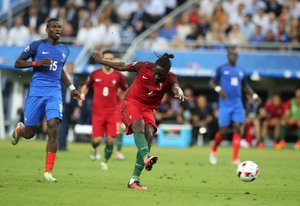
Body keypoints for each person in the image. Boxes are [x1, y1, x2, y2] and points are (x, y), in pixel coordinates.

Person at [92, 51, 188, 190]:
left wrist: (179, 92)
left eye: (160, 75)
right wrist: (101, 61)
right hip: (132, 102)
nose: (156, 76)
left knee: (149, 134)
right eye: (155, 72)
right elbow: (122, 66)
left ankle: (134, 180)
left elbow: (175, 86)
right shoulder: (144, 66)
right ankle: (146, 156)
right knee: (139, 125)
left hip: (148, 108)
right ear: (153, 67)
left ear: (166, 73)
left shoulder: (171, 77)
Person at [10, 18, 81, 182]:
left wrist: (72, 88)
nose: (58, 29)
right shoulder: (37, 45)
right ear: (47, 29)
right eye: (54, 27)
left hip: (54, 93)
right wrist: (35, 62)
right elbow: (18, 62)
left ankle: (48, 172)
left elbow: (60, 70)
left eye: (60, 27)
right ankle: (20, 131)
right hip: (36, 92)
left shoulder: (65, 50)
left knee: (53, 126)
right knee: (30, 133)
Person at [209, 48, 259, 166]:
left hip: (237, 103)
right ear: (228, 56)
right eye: (231, 54)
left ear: (237, 56)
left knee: (237, 127)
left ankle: (235, 159)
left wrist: (254, 95)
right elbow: (212, 82)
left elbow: (245, 86)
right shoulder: (221, 69)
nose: (233, 56)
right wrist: (218, 89)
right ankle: (213, 151)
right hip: (225, 104)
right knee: (223, 131)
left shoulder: (241, 70)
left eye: (235, 55)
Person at [79, 50, 128, 170]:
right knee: (97, 140)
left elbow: (125, 89)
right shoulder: (95, 74)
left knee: (111, 139)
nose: (107, 61)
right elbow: (86, 86)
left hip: (112, 112)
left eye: (110, 59)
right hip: (97, 112)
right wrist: (82, 95)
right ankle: (93, 147)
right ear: (101, 60)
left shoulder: (118, 76)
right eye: (105, 58)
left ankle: (104, 162)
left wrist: (124, 99)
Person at [58, 62, 79, 151]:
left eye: (72, 68)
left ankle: (64, 144)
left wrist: (76, 108)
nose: (71, 69)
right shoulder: (61, 78)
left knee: (68, 126)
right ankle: (62, 146)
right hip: (63, 104)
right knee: (63, 126)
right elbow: (58, 91)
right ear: (66, 69)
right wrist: (59, 103)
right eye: (69, 68)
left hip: (71, 105)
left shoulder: (76, 79)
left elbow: (76, 94)